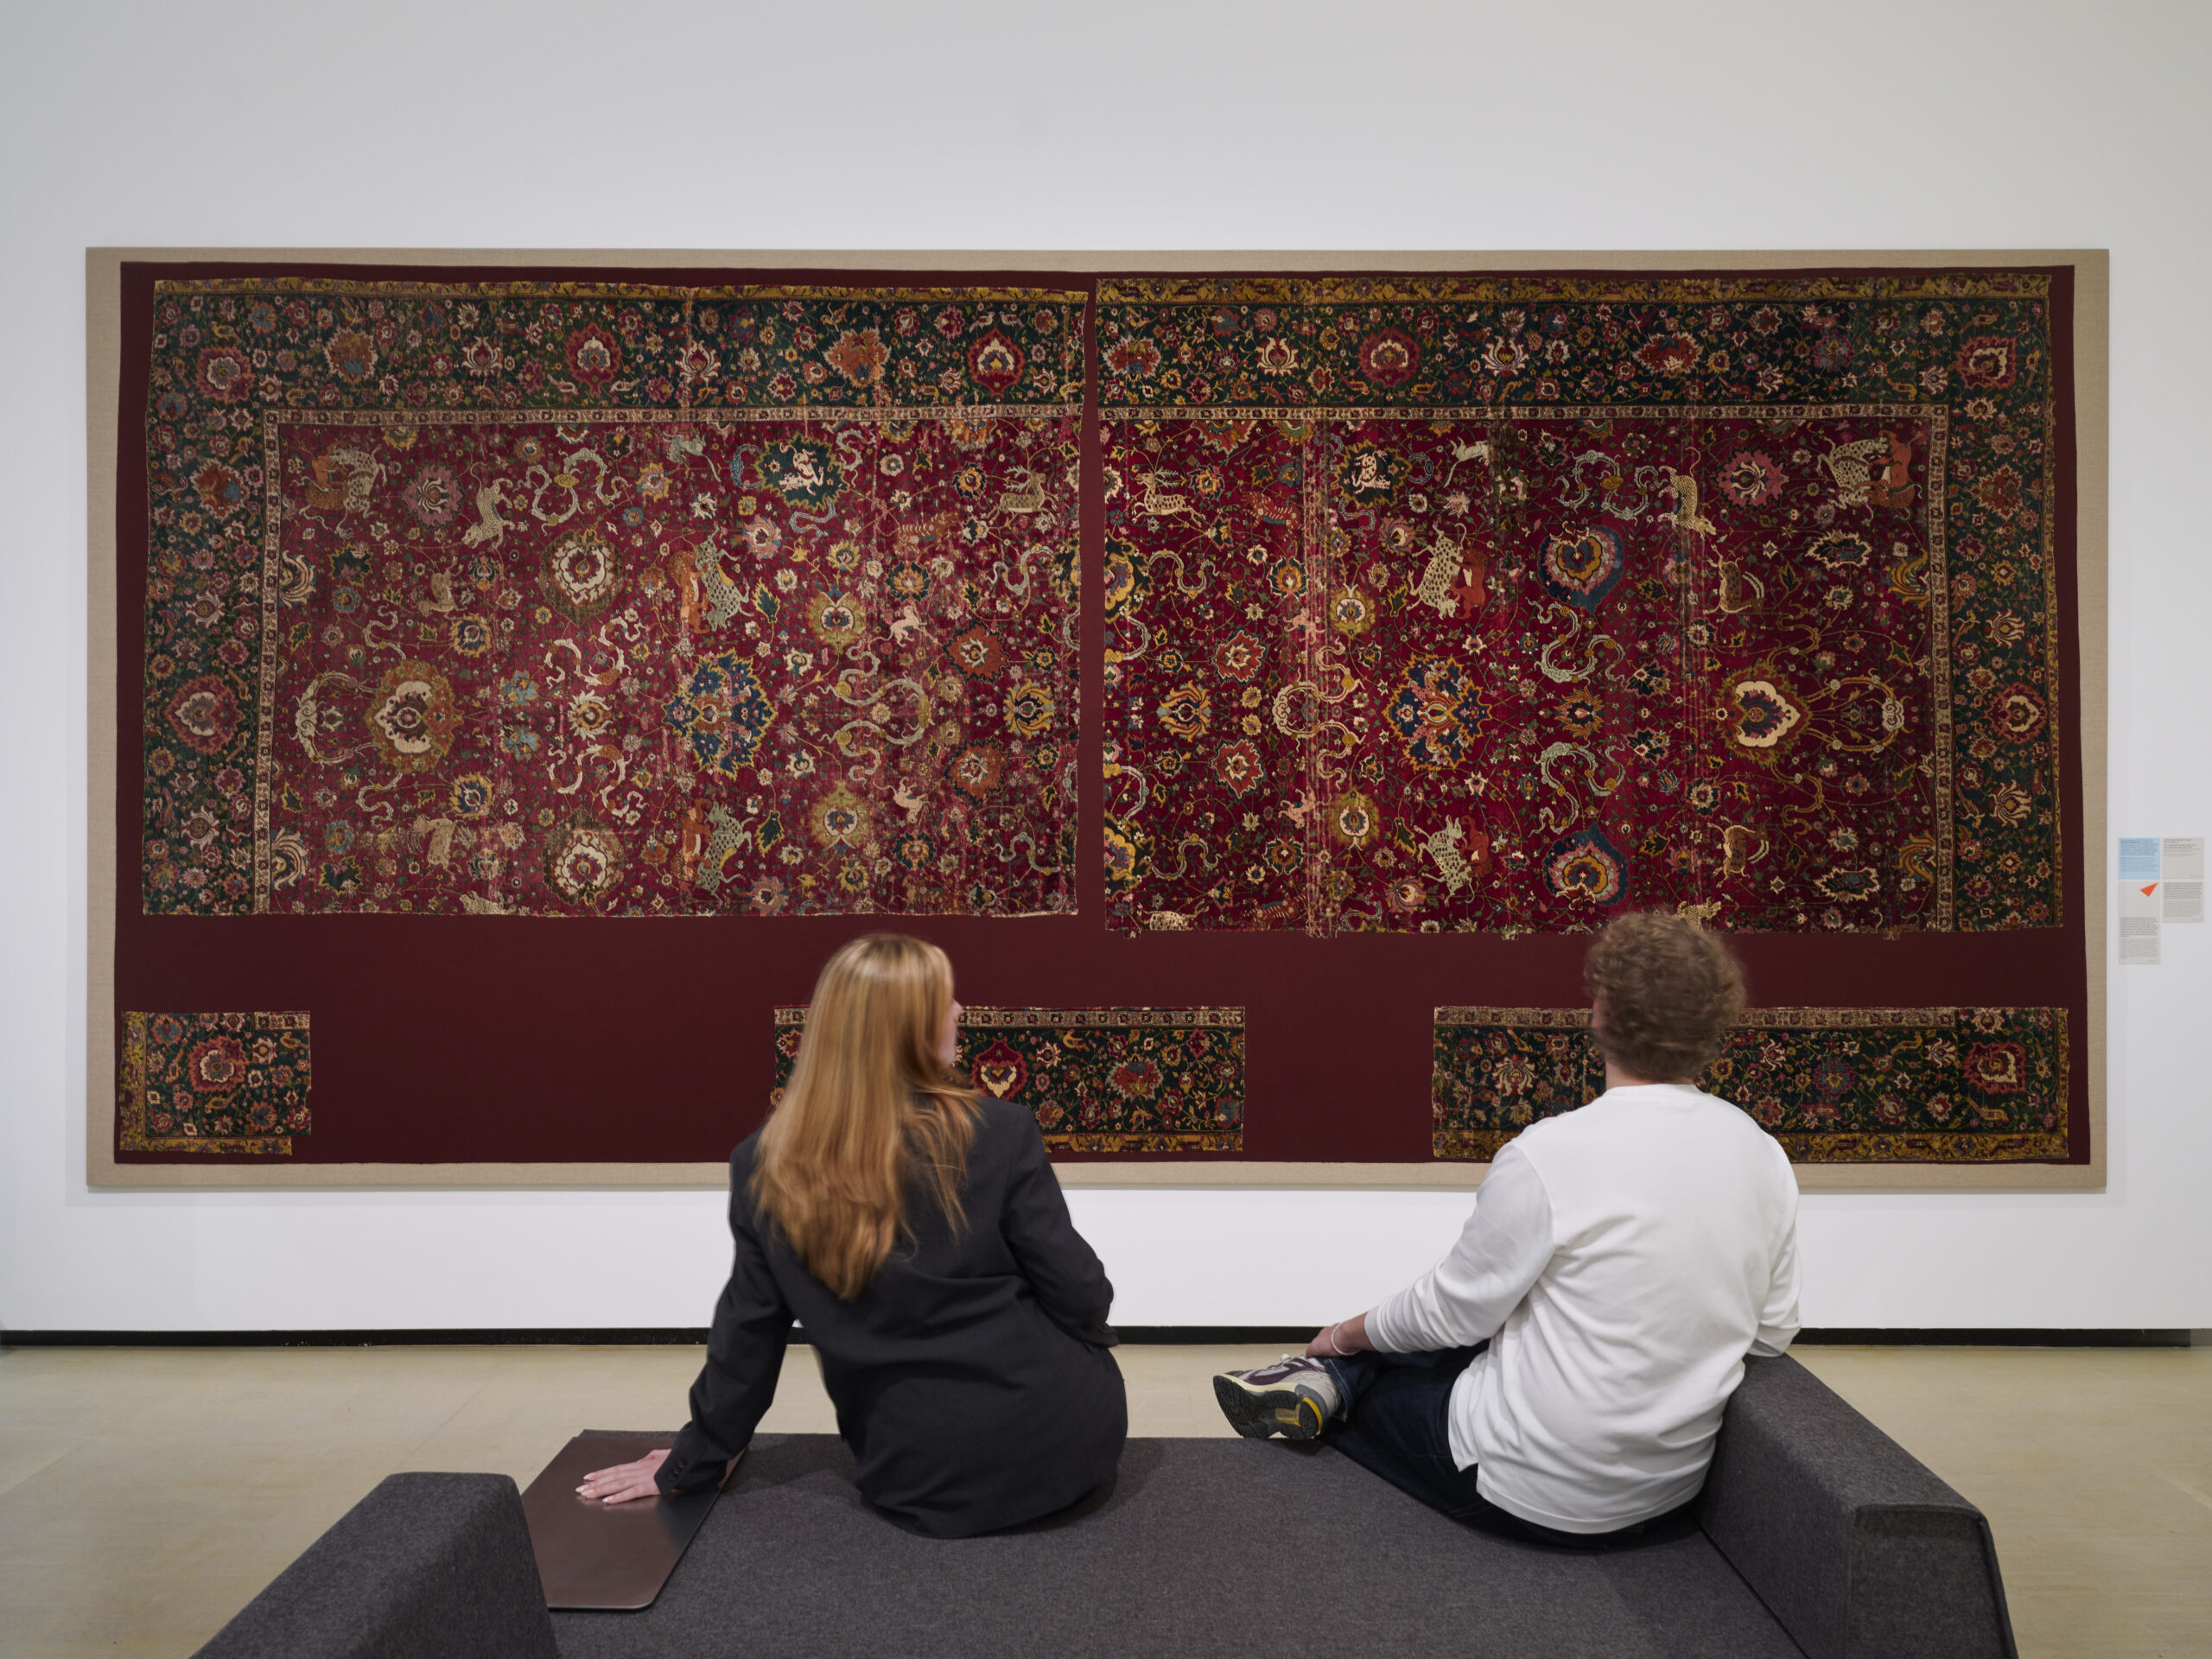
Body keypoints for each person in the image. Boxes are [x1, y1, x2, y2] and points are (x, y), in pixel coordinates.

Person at [1213, 910, 1800, 1548]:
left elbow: (1453, 1312)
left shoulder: (1550, 1155)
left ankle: (1328, 1379)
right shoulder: (1762, 1153)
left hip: (1528, 1492)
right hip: (1667, 1495)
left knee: (1394, 1364)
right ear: (1714, 1023)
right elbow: (1771, 1334)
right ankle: (1333, 1375)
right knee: (1485, 1326)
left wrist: (1345, 1333)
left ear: (1600, 1013)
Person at [578, 933, 1127, 1537]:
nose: (961, 1011)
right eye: (946, 999)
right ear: (907, 1025)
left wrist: (700, 1456)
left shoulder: (763, 1162)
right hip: (1068, 1443)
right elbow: (1082, 1293)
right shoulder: (1000, 1130)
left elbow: (748, 1336)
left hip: (917, 1476)